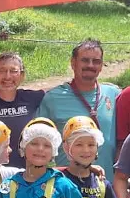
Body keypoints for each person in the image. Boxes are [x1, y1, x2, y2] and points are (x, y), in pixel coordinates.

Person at [37, 39, 119, 170]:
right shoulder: (53, 98)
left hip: (106, 183)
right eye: (85, 60)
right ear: (73, 63)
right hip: (67, 184)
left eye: (96, 61)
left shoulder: (114, 94)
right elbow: (38, 143)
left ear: (102, 65)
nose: (90, 65)